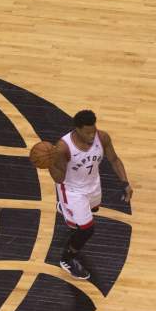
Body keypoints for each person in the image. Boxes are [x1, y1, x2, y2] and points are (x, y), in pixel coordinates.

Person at [48, 110, 133, 279]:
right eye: (87, 132)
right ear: (77, 129)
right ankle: (67, 258)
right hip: (72, 191)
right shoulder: (64, 147)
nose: (92, 135)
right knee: (86, 230)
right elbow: (59, 178)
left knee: (93, 210)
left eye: (93, 130)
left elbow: (114, 160)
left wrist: (125, 182)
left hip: (93, 185)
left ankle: (66, 209)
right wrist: (50, 164)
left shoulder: (102, 137)